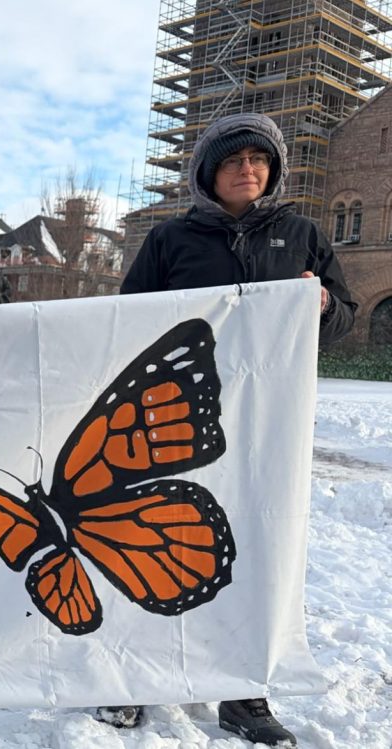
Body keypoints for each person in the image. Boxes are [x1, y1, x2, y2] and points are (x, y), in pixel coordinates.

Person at [101, 112, 356, 746]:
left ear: (272, 172)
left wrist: (320, 302)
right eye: (234, 161)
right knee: (160, 539)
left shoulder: (301, 235)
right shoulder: (170, 240)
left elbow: (344, 318)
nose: (248, 169)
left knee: (258, 550)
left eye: (259, 161)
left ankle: (245, 691)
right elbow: (125, 321)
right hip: (175, 424)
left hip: (268, 422)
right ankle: (139, 677)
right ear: (209, 174)